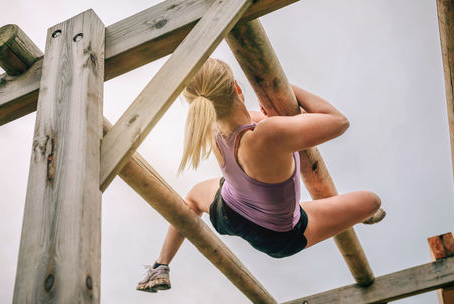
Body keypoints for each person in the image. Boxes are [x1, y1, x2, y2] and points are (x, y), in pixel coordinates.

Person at [136, 58, 382, 292]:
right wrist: (281, 87)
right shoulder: (269, 134)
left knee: (190, 199)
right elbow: (338, 121)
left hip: (228, 212)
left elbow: (264, 122)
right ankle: (357, 214)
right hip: (277, 235)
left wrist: (271, 114)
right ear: (236, 87)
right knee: (371, 201)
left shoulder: (214, 130)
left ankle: (161, 266)